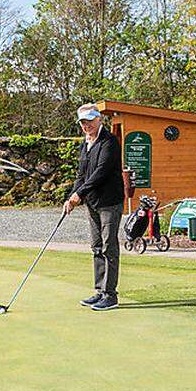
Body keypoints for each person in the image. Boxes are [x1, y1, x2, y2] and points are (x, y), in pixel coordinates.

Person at [64, 103, 126, 311]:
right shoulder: (85, 144)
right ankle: (100, 291)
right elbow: (82, 175)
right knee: (96, 247)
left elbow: (101, 172)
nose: (86, 125)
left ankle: (110, 295)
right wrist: (72, 195)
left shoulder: (110, 142)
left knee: (109, 247)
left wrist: (79, 194)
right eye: (82, 122)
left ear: (99, 119)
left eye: (90, 120)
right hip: (92, 203)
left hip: (109, 202)